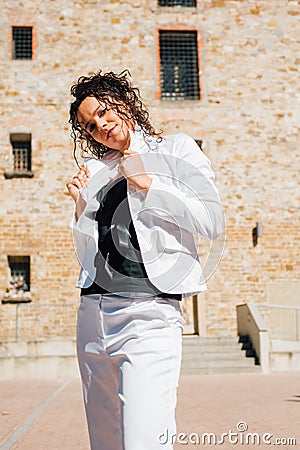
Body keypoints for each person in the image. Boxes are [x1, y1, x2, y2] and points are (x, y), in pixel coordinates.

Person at [66, 69, 224, 450]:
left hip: (149, 314)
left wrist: (148, 183)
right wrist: (81, 209)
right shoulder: (96, 171)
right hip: (93, 313)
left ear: (124, 101)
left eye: (103, 112)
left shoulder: (176, 149)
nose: (100, 125)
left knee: (146, 441)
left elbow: (212, 221)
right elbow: (94, 248)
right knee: (105, 442)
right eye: (89, 126)